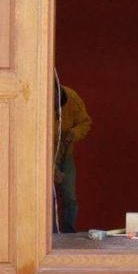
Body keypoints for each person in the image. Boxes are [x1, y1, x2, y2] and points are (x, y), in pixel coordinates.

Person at [53, 83, 92, 232]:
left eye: (59, 105)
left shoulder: (72, 97)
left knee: (70, 196)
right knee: (48, 197)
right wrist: (53, 169)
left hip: (65, 154)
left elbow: (85, 122)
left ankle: (69, 232)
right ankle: (50, 234)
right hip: (42, 155)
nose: (56, 110)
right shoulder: (38, 100)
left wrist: (73, 133)